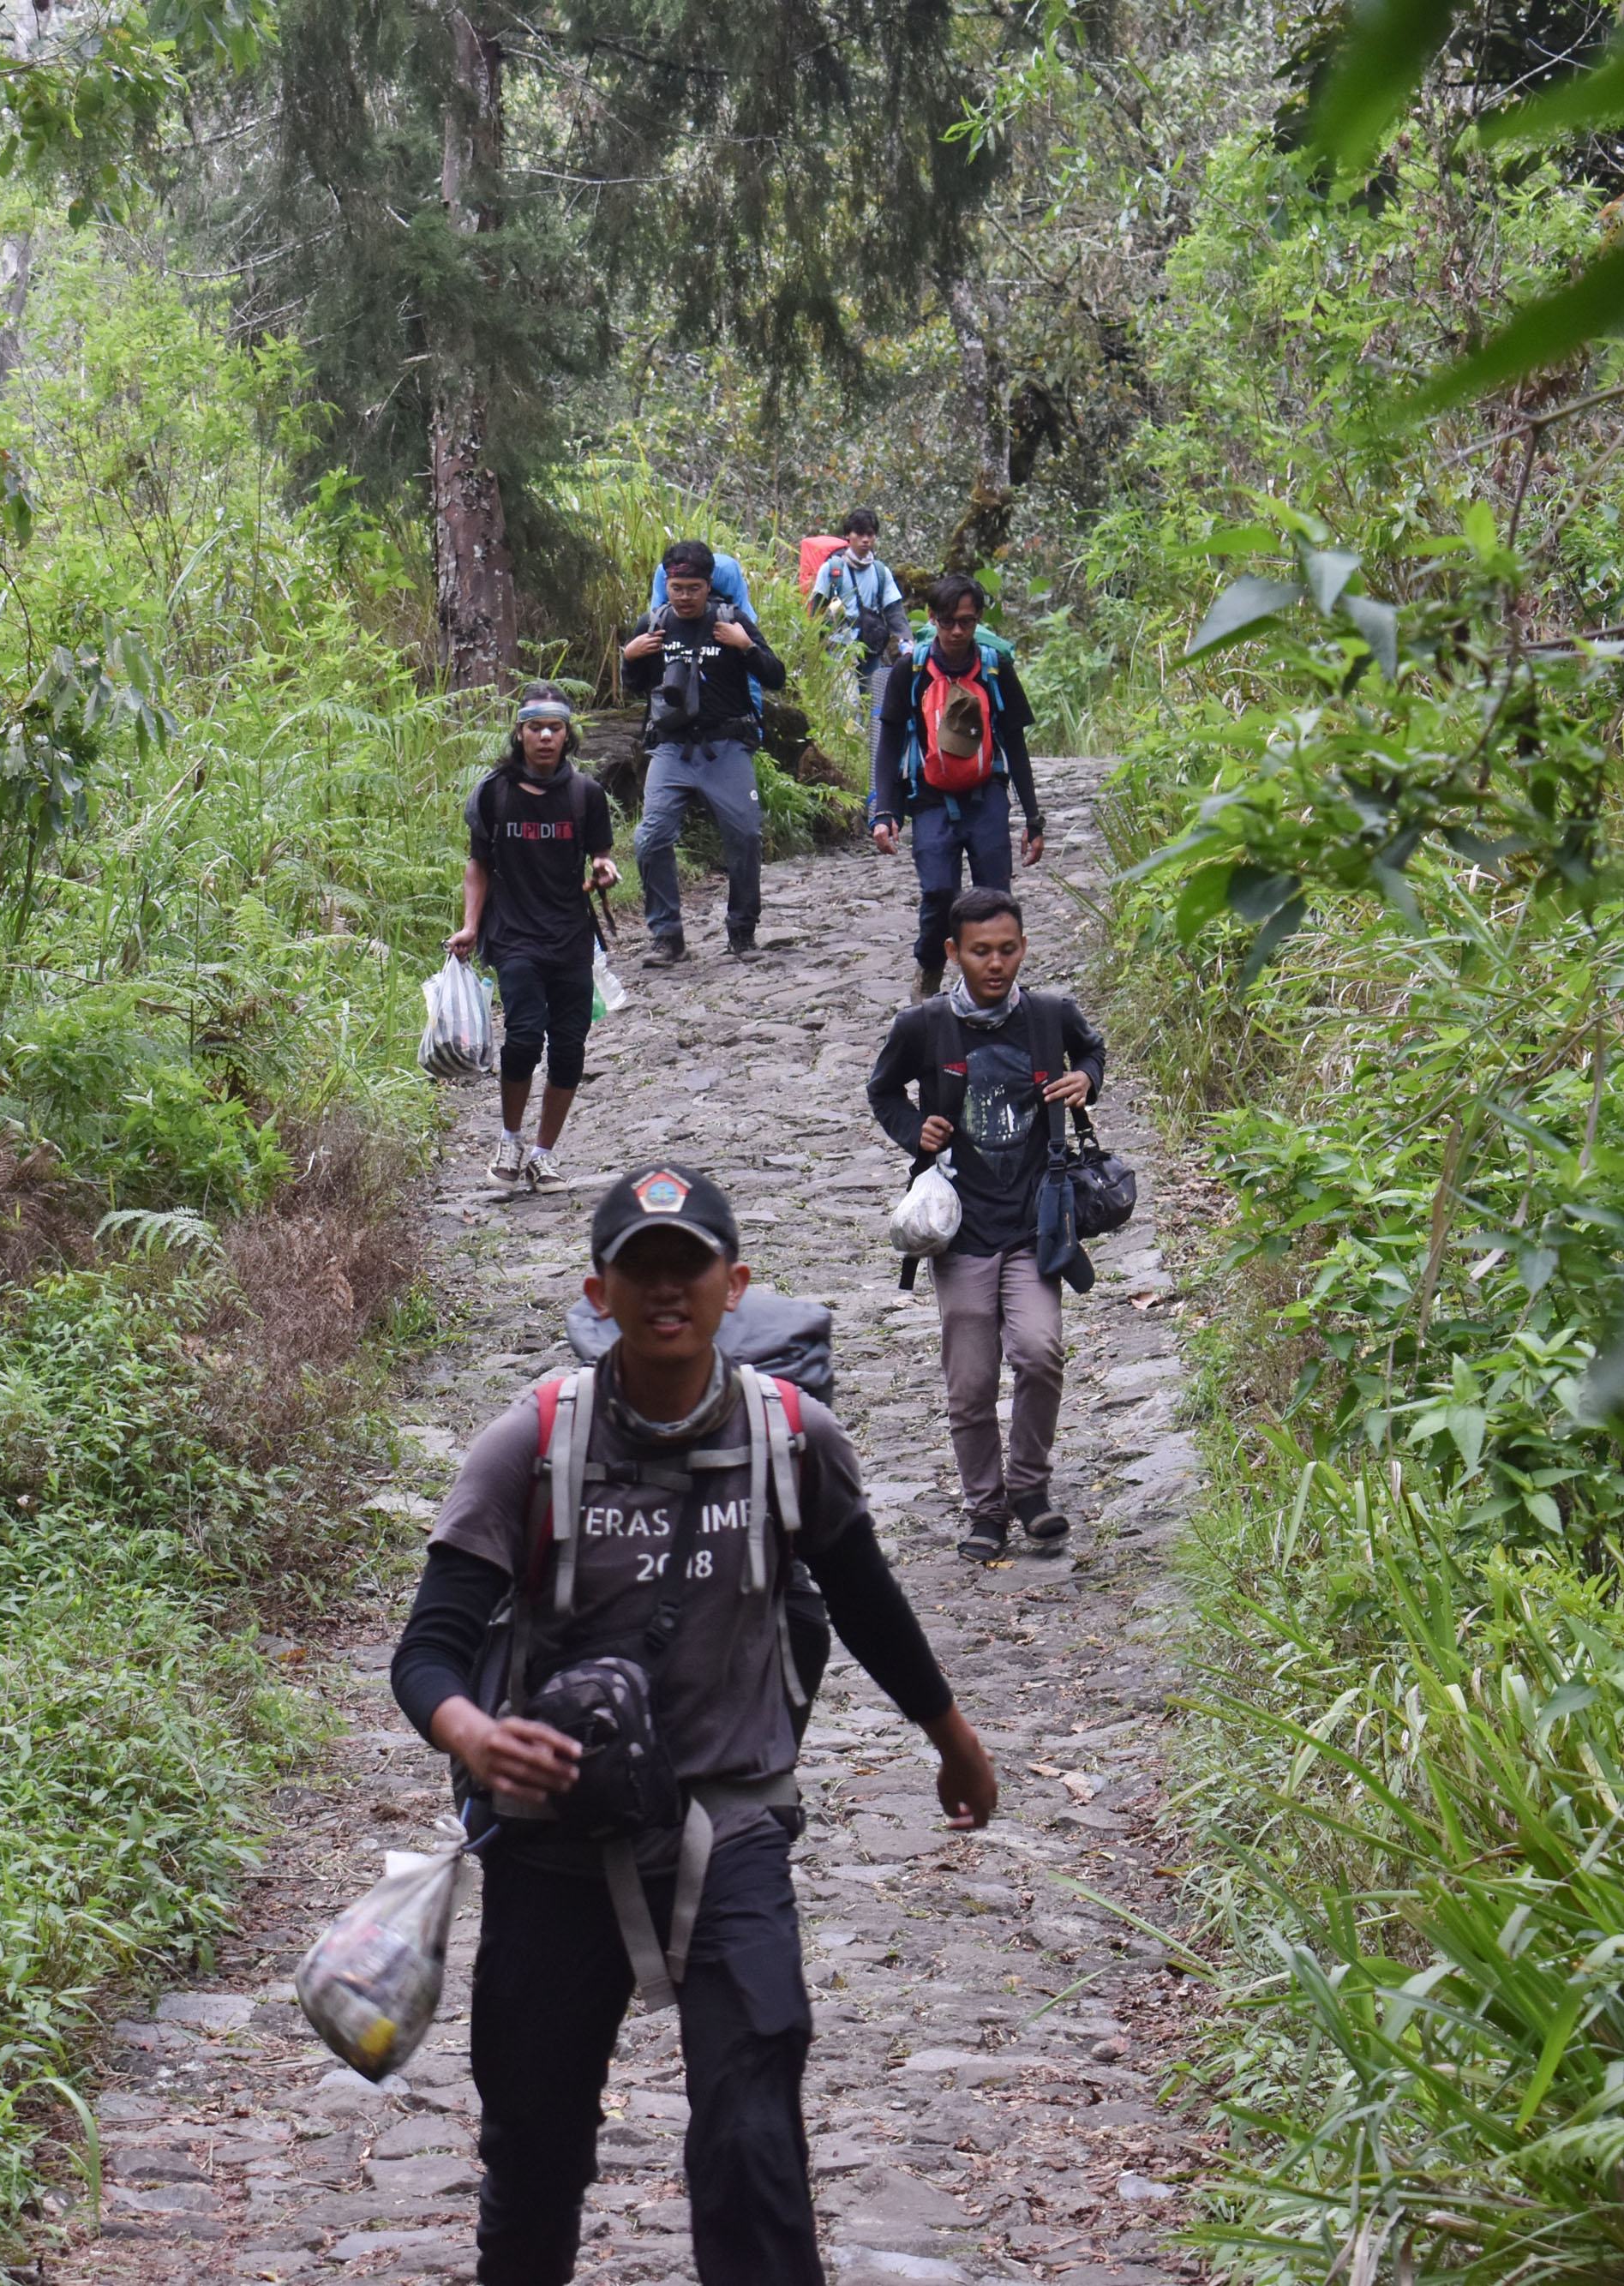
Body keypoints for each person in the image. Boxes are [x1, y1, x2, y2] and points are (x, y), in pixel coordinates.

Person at [393, 1163, 998, 2285]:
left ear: (736, 1283)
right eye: (641, 1268)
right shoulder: (526, 1444)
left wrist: (949, 1731)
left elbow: (864, 1594)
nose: (666, 1289)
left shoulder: (791, 1436)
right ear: (597, 1290)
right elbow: (428, 1644)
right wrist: (471, 1731)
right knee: (533, 2146)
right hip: (551, 1836)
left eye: (690, 1266)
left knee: (754, 2138)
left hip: (732, 1825)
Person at [863, 887, 1106, 1561]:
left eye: (1006, 950)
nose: (994, 964)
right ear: (954, 953)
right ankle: (984, 1508)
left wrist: (1083, 1079)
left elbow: (1092, 1053)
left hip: (1037, 1224)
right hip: (960, 1231)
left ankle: (1029, 1489)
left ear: (1023, 948)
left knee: (1039, 1351)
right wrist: (919, 1131)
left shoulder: (1051, 1016)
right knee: (970, 1383)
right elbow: (882, 1090)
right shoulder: (925, 1026)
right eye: (979, 952)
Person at [450, 685, 622, 1191]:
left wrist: (604, 870)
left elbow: (601, 856)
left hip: (570, 936)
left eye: (555, 728)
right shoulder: (493, 792)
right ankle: (509, 1140)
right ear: (519, 732)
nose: (545, 737)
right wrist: (470, 925)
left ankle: (544, 1154)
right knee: (524, 1036)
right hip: (514, 935)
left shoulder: (585, 794)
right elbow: (478, 864)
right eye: (535, 728)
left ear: (567, 735)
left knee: (569, 1049)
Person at [869, 573, 1045, 996]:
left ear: (978, 620)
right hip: (929, 800)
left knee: (996, 900)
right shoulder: (908, 672)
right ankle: (930, 966)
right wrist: (885, 811)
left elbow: (1016, 744)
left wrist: (1033, 818)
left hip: (986, 797)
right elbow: (890, 742)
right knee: (938, 895)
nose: (956, 631)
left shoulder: (995, 669)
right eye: (947, 621)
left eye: (966, 622)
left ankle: (992, 988)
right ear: (932, 618)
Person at [626, 540, 787, 965]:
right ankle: (667, 936)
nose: (684, 596)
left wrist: (745, 646)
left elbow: (776, 677)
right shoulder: (654, 623)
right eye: (677, 587)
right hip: (672, 749)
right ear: (667, 584)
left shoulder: (732, 620)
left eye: (693, 587)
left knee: (746, 835)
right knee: (651, 838)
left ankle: (742, 931)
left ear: (708, 584)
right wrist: (630, 657)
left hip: (727, 746)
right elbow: (635, 687)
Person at [806, 508, 904, 681]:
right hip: (838, 648)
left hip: (871, 648)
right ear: (848, 535)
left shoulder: (881, 572)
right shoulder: (832, 570)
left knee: (873, 703)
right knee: (848, 704)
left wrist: (906, 641)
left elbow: (894, 610)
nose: (865, 540)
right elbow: (817, 612)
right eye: (859, 534)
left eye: (870, 534)